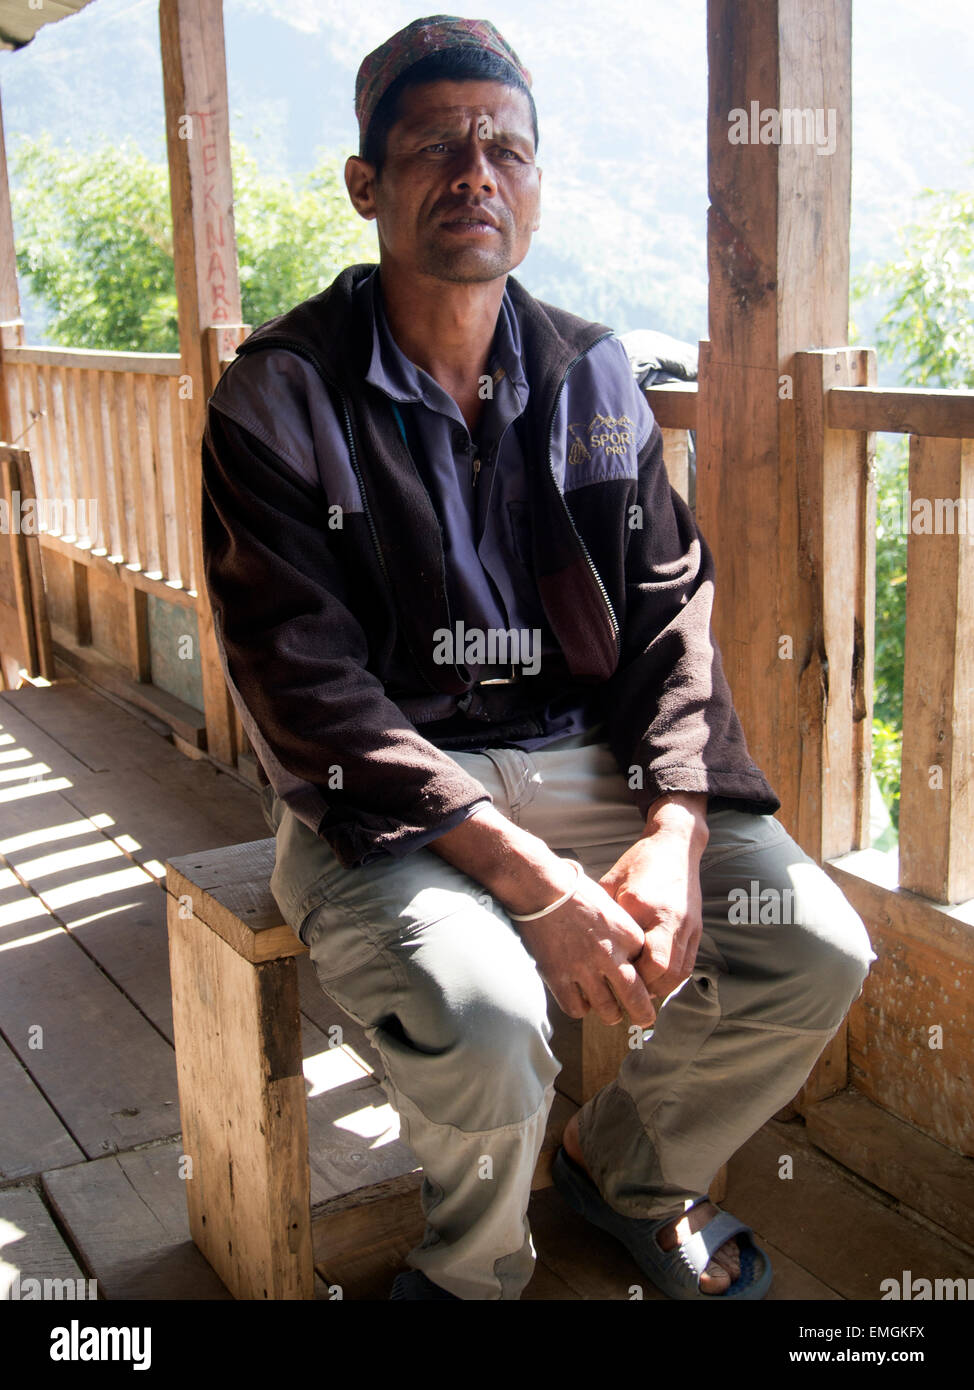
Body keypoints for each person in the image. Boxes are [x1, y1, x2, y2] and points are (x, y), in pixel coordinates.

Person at [200, 14, 875, 1301]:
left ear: (537, 186)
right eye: (435, 147)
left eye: (506, 149)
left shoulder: (591, 374)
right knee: (496, 1018)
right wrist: (535, 886)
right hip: (385, 799)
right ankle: (471, 1271)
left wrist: (675, 826)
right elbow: (307, 688)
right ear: (366, 185)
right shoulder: (279, 395)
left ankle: (624, 1171)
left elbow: (669, 611)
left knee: (812, 946)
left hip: (581, 757)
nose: (476, 173)